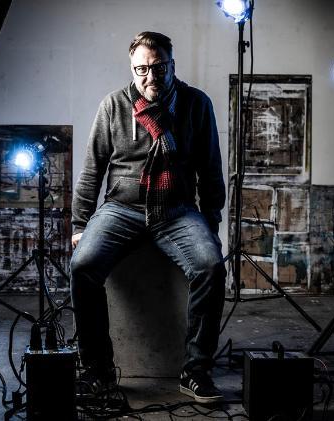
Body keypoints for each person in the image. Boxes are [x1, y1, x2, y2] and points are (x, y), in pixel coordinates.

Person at [70, 31, 226, 404]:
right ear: (132, 69)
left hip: (176, 210)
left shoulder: (196, 105)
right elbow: (92, 170)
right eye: (141, 69)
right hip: (122, 208)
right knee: (82, 266)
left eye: (158, 68)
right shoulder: (113, 106)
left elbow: (211, 170)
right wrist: (79, 225)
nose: (150, 77)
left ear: (172, 65)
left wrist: (211, 222)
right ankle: (97, 370)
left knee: (211, 267)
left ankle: (196, 370)